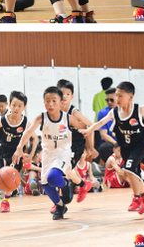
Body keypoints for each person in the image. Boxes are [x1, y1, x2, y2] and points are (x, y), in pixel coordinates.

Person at [81, 82, 144, 215]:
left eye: (120, 96)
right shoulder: (114, 112)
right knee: (134, 173)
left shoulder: (139, 109)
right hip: (125, 148)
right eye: (116, 95)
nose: (116, 99)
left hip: (139, 147)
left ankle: (137, 198)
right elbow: (100, 123)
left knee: (128, 169)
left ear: (130, 97)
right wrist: (89, 130)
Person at [13, 86, 87, 220]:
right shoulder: (41, 118)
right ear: (44, 102)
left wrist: (85, 144)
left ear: (61, 102)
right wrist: (19, 148)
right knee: (46, 185)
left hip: (63, 153)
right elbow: (28, 132)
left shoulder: (68, 118)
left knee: (53, 177)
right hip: (48, 155)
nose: (50, 104)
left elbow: (84, 128)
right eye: (47, 101)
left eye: (54, 101)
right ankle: (60, 206)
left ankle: (66, 185)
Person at [0, 91, 36, 213]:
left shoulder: (25, 122)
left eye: (19, 106)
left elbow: (35, 138)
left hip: (17, 154)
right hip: (4, 151)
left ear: (24, 107)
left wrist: (31, 155)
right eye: (14, 105)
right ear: (9, 105)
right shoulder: (3, 120)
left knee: (11, 177)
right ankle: (7, 199)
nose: (16, 108)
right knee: (4, 176)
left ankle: (7, 199)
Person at [57, 79, 94, 209]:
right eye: (62, 93)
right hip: (62, 144)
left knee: (62, 171)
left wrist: (90, 147)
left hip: (76, 145)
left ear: (72, 96)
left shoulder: (74, 112)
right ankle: (84, 185)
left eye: (68, 94)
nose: (64, 96)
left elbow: (90, 126)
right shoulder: (55, 111)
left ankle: (59, 203)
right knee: (63, 171)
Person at [96, 88, 118, 163]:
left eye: (112, 100)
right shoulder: (102, 113)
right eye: (107, 100)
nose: (109, 102)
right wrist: (117, 144)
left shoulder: (125, 110)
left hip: (126, 141)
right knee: (104, 147)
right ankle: (111, 166)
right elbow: (103, 135)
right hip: (112, 142)